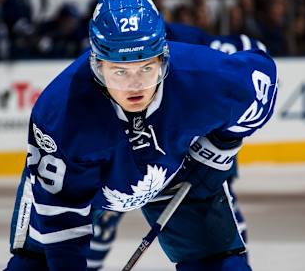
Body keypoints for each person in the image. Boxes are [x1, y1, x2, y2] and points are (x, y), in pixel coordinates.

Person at [4, 0, 277, 271]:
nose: (135, 86)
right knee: (36, 265)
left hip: (176, 171)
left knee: (218, 264)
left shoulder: (202, 76)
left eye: (146, 68)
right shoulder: (62, 111)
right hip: (83, 184)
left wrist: (220, 146)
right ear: (97, 65)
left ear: (164, 58)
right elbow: (61, 217)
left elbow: (263, 78)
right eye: (120, 71)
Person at [86, 22, 268, 270]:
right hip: (130, 149)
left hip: (187, 144)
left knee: (215, 213)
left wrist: (220, 142)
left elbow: (249, 65)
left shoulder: (186, 41)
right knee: (100, 216)